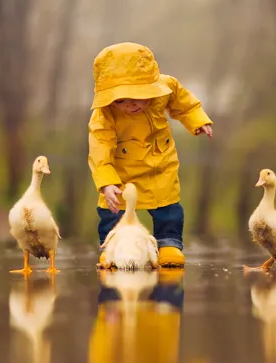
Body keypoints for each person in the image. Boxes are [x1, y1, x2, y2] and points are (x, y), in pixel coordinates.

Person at [88, 42, 214, 268]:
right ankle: (111, 248)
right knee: (112, 211)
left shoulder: (166, 88)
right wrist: (107, 183)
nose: (131, 105)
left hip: (159, 165)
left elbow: (185, 105)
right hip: (122, 171)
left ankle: (169, 244)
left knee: (168, 209)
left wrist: (198, 120)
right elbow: (99, 149)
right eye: (121, 100)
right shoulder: (103, 115)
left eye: (138, 97)